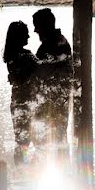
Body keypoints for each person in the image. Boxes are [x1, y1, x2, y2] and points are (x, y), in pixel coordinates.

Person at [31, 8, 72, 151]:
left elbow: (40, 71)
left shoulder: (57, 44)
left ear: (46, 25)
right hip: (51, 106)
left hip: (55, 107)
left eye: (37, 25)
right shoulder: (51, 44)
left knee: (56, 145)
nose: (35, 30)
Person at [3, 20, 38, 163]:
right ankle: (25, 170)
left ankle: (20, 169)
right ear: (18, 36)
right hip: (26, 104)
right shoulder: (25, 57)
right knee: (30, 140)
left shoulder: (12, 57)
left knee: (22, 141)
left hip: (18, 103)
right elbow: (41, 71)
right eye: (26, 34)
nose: (29, 37)